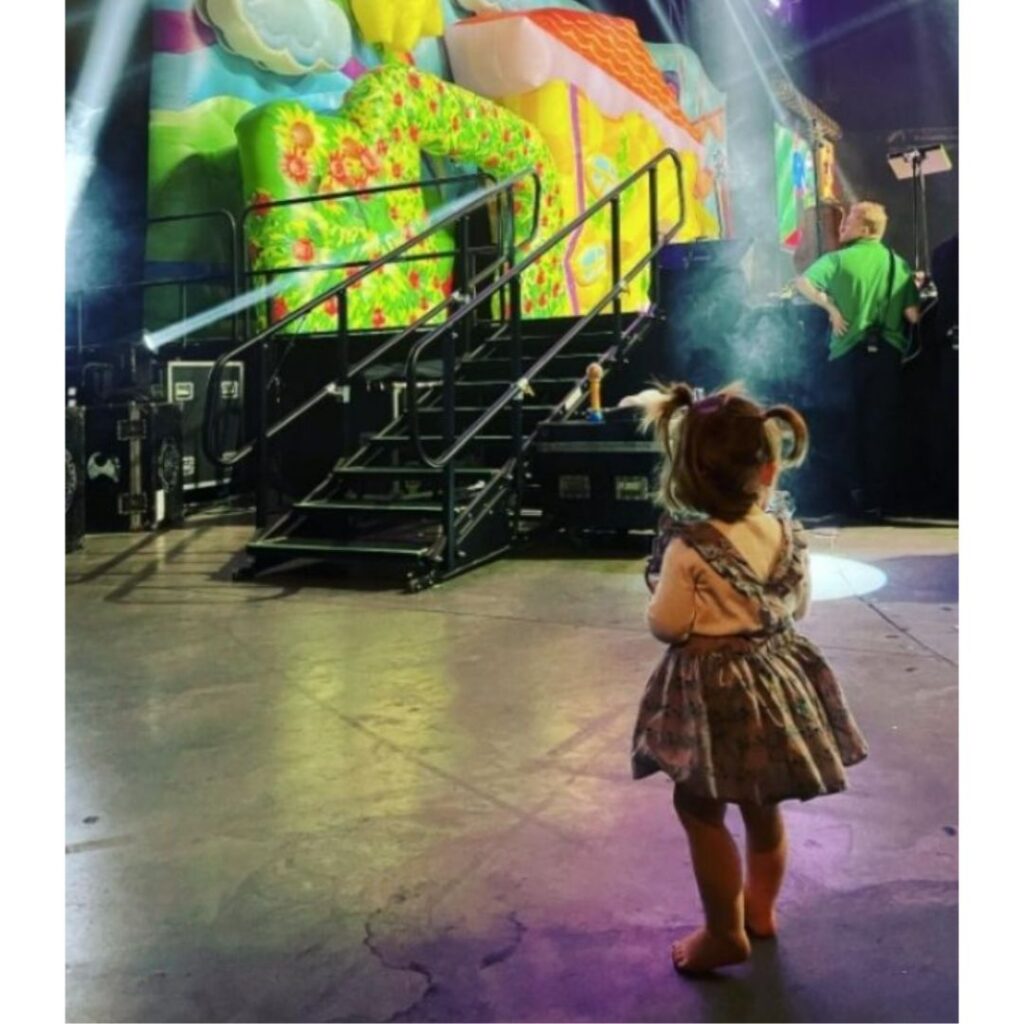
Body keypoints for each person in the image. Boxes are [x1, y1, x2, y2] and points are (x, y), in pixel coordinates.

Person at [629, 382, 868, 975]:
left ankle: (723, 932)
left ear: (686, 473)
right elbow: (798, 608)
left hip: (715, 693)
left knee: (700, 807)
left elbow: (668, 626)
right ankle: (760, 912)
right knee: (764, 806)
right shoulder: (788, 532)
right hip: (779, 677)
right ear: (767, 467)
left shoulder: (689, 548)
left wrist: (658, 597)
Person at [794, 200, 920, 517]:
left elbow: (802, 282)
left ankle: (849, 498)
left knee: (844, 426)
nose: (843, 224)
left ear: (865, 228)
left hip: (847, 354)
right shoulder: (898, 264)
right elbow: (913, 316)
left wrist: (832, 309)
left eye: (849, 219)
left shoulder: (836, 259)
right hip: (887, 357)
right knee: (881, 427)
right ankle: (879, 499)